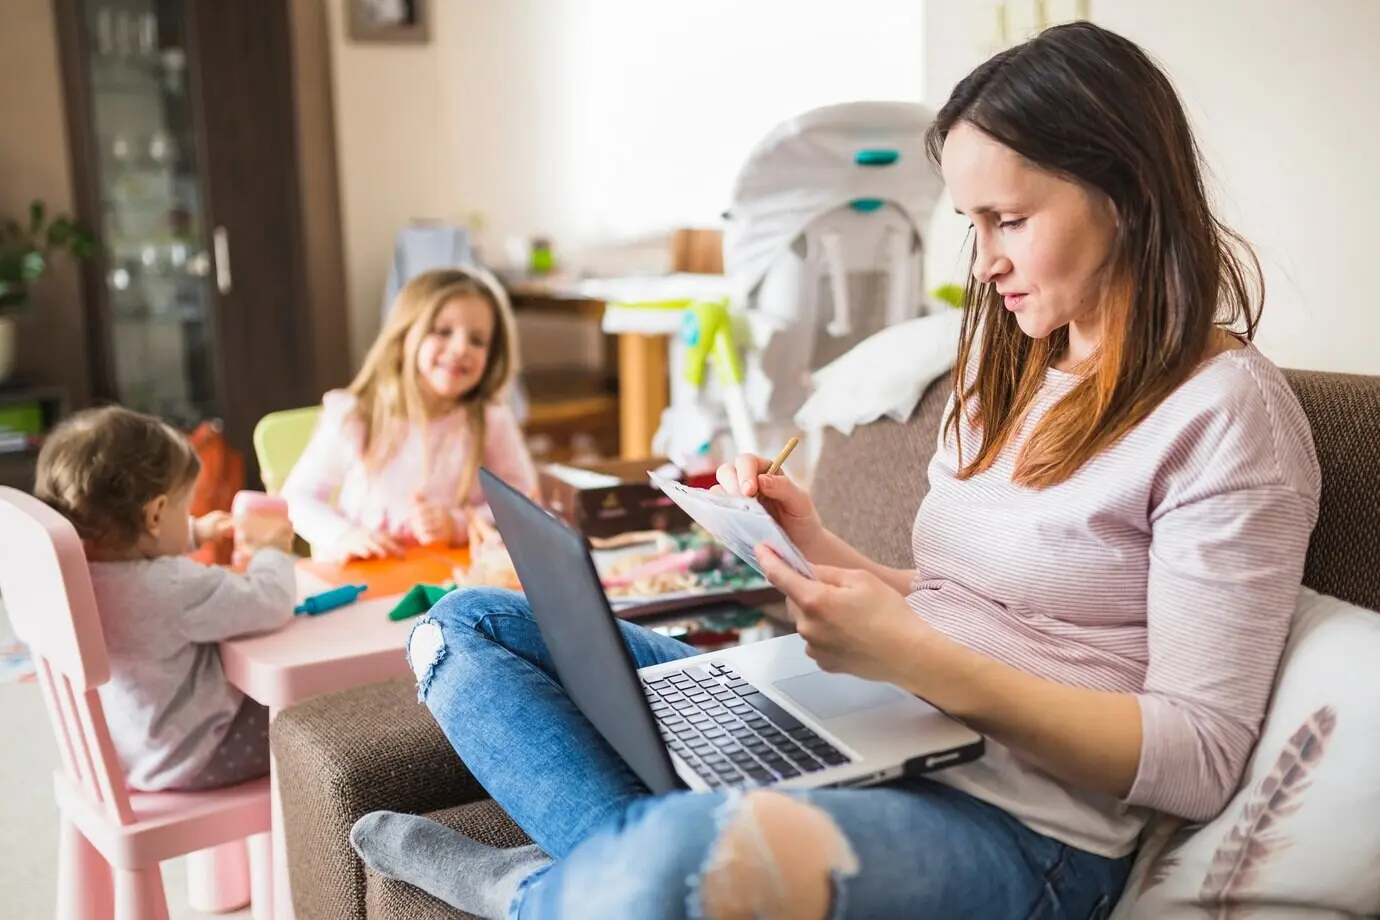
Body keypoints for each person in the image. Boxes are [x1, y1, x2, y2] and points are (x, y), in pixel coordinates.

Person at [347, 22, 1321, 918]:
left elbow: (1198, 756)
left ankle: (540, 890)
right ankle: (601, 883)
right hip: (876, 723)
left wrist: (914, 656)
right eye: (968, 224)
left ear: (1128, 194)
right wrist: (809, 543)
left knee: (676, 861)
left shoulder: (1226, 415)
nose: (981, 263)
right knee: (464, 626)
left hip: (1030, 826)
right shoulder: (1007, 367)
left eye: (1006, 220)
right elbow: (953, 595)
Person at [34, 406, 296, 792]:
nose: (190, 515)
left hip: (122, 754)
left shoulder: (69, 572)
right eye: (185, 507)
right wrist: (270, 551)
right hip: (197, 756)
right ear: (155, 514)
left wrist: (193, 533)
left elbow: (135, 544)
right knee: (308, 720)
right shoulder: (171, 586)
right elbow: (271, 600)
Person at [282, 266, 537, 562]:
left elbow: (524, 504)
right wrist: (344, 535)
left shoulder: (489, 420)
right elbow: (296, 498)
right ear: (404, 338)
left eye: (477, 340)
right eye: (442, 331)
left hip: (450, 580)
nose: (460, 348)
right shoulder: (357, 416)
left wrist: (456, 523)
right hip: (367, 578)